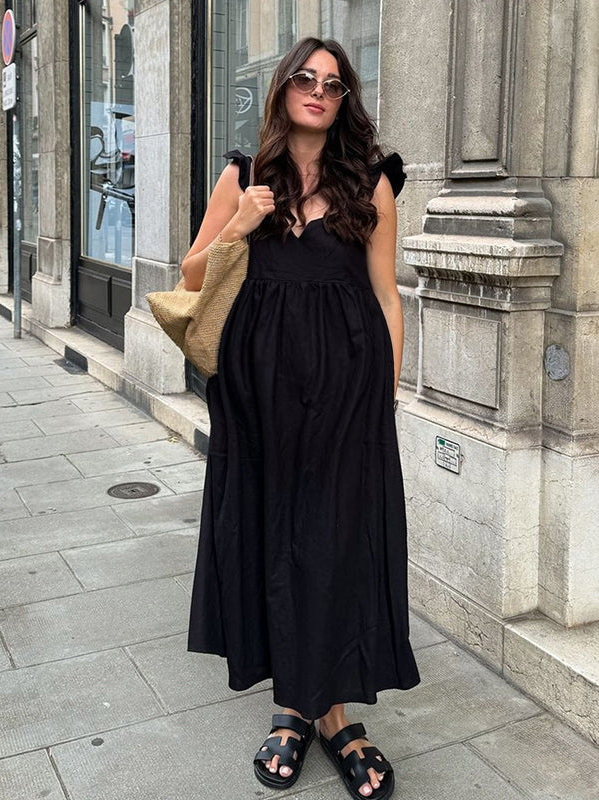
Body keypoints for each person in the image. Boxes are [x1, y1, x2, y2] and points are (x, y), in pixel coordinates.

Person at [182, 36, 421, 800]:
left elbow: (386, 297)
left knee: (338, 544)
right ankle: (294, 707)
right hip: (259, 403)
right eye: (306, 78)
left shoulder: (371, 184)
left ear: (345, 100)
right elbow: (191, 272)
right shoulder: (243, 176)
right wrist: (239, 224)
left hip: (349, 404)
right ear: (283, 87)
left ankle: (336, 715)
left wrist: (384, 401)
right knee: (274, 541)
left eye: (334, 84)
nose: (319, 91)